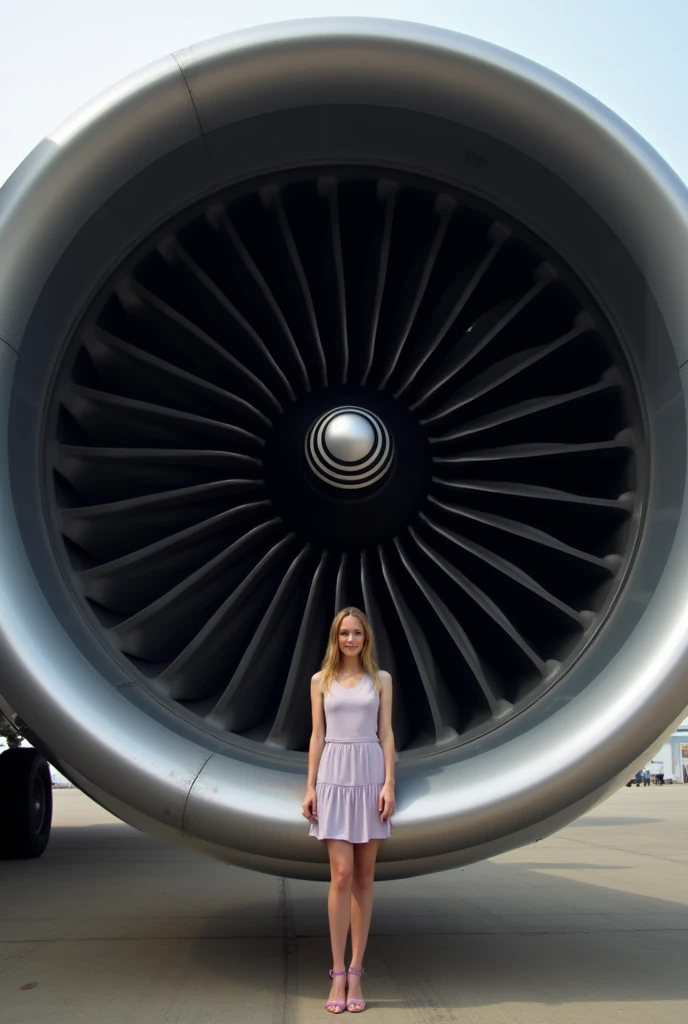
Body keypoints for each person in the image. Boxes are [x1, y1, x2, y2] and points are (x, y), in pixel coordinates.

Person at [301, 607, 395, 1014]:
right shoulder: (320, 681)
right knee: (340, 875)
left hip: (370, 774)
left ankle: (357, 970)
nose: (351, 640)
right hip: (334, 776)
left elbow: (387, 732)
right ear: (335, 639)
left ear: (366, 638)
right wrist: (310, 786)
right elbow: (317, 734)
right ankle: (337, 971)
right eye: (344, 634)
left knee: (364, 875)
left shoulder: (382, 680)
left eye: (357, 633)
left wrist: (390, 781)